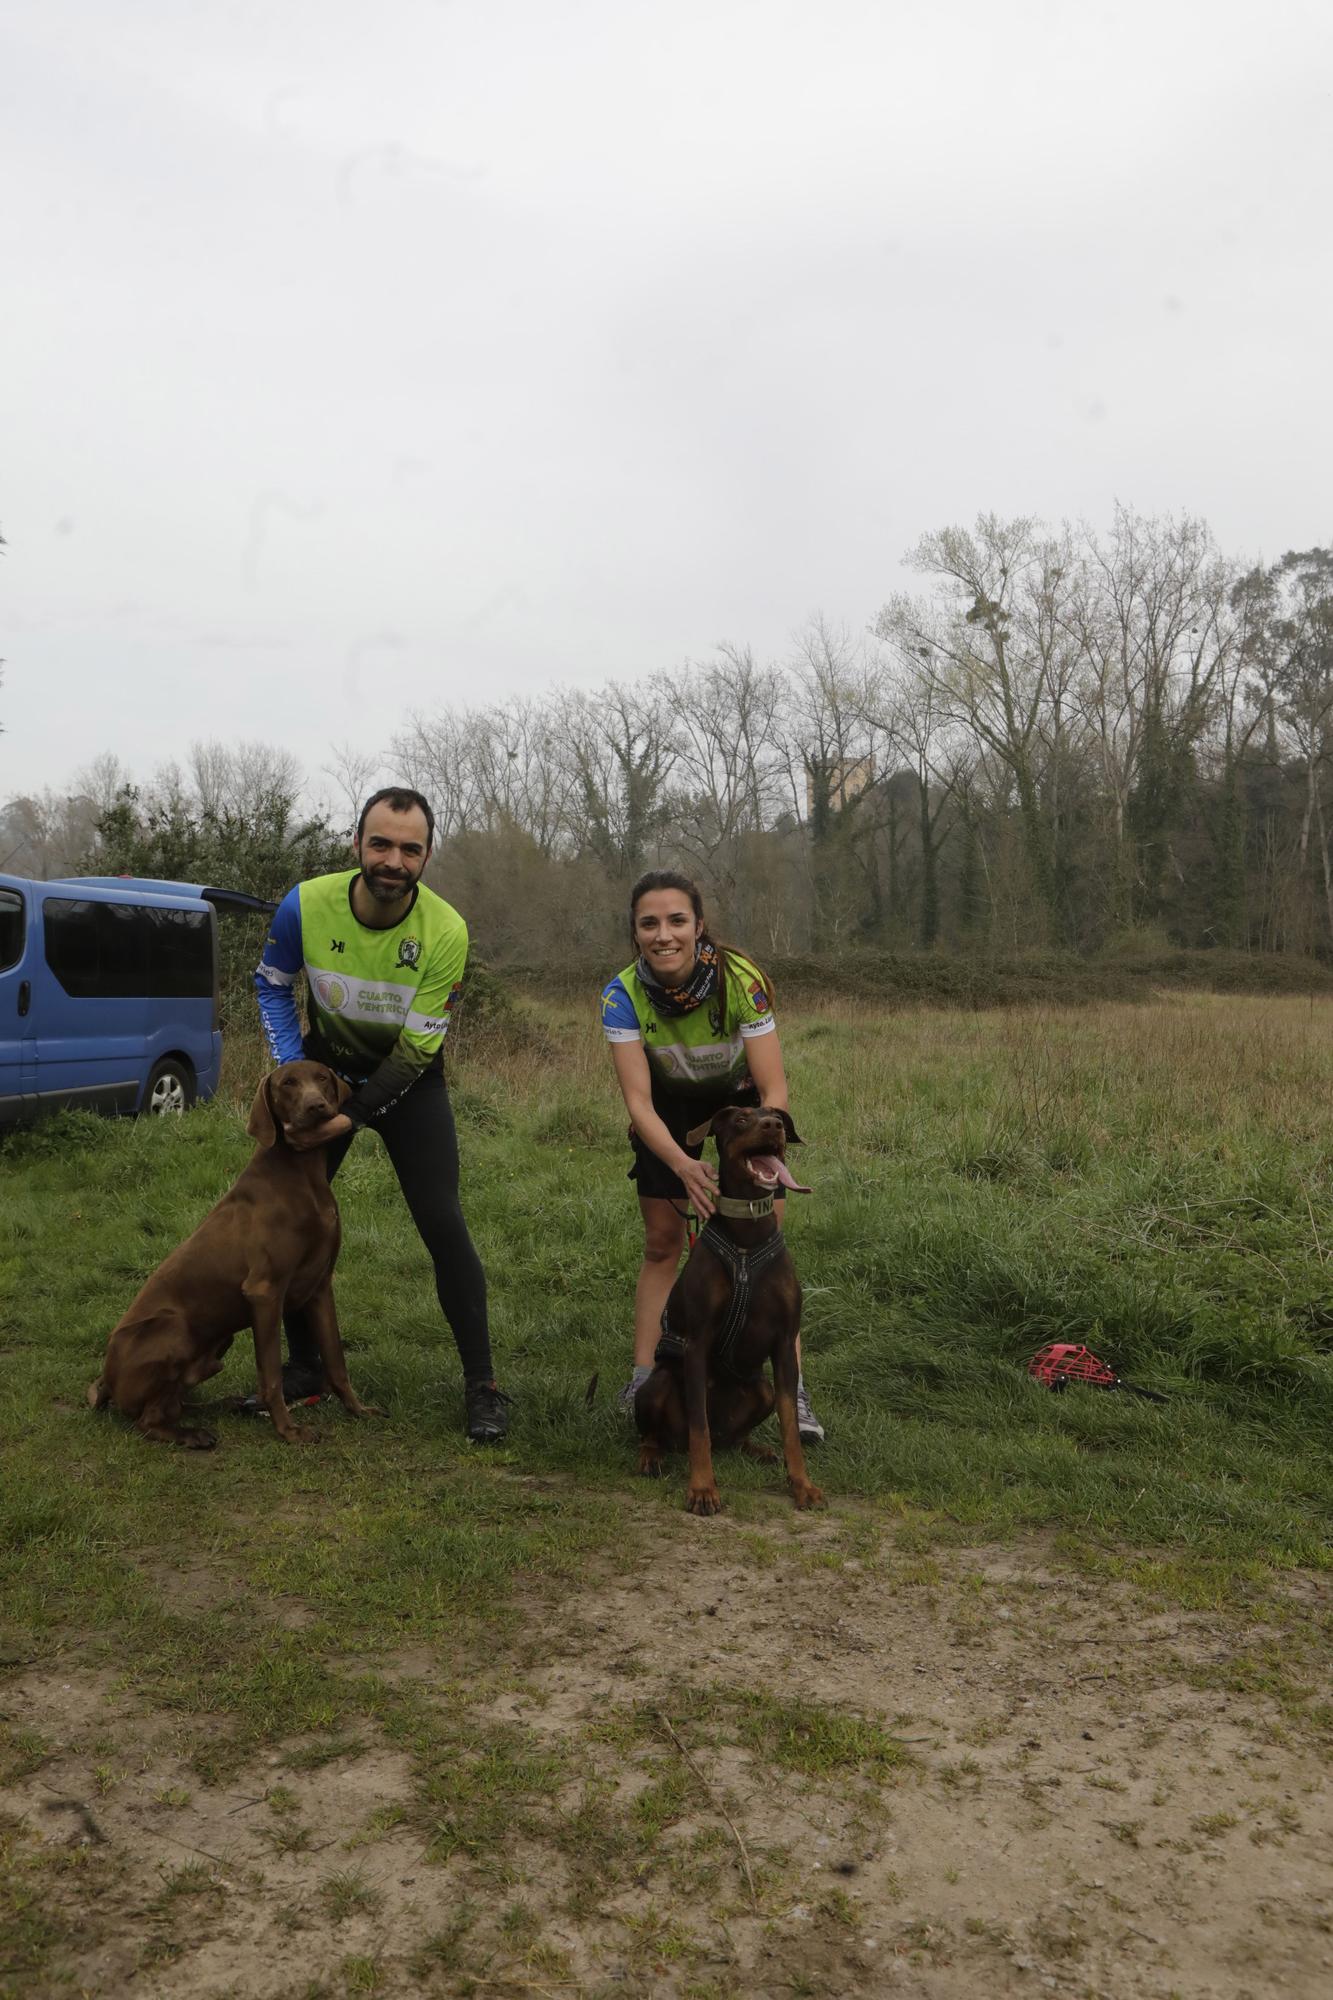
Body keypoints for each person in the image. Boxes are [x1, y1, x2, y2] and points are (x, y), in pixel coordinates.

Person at [253, 785, 511, 1443]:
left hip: (408, 1080)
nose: (393, 860)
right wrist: (293, 1076)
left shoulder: (446, 930)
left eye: (409, 848)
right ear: (356, 844)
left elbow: (420, 1047)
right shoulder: (304, 904)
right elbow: (272, 985)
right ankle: (305, 1369)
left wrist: (353, 1115)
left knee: (442, 1221)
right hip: (320, 1074)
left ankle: (482, 1388)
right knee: (286, 1223)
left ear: (426, 857)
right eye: (381, 843)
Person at [600, 868, 825, 1441]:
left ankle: (792, 1395)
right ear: (635, 933)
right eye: (648, 923)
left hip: (740, 1100)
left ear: (699, 926)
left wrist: (761, 1160)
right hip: (668, 1106)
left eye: (677, 920)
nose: (663, 935)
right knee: (662, 1242)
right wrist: (682, 1164)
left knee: (765, 1246)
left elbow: (773, 1091)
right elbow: (638, 1103)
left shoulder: (741, 978)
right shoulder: (620, 995)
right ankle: (645, 1376)